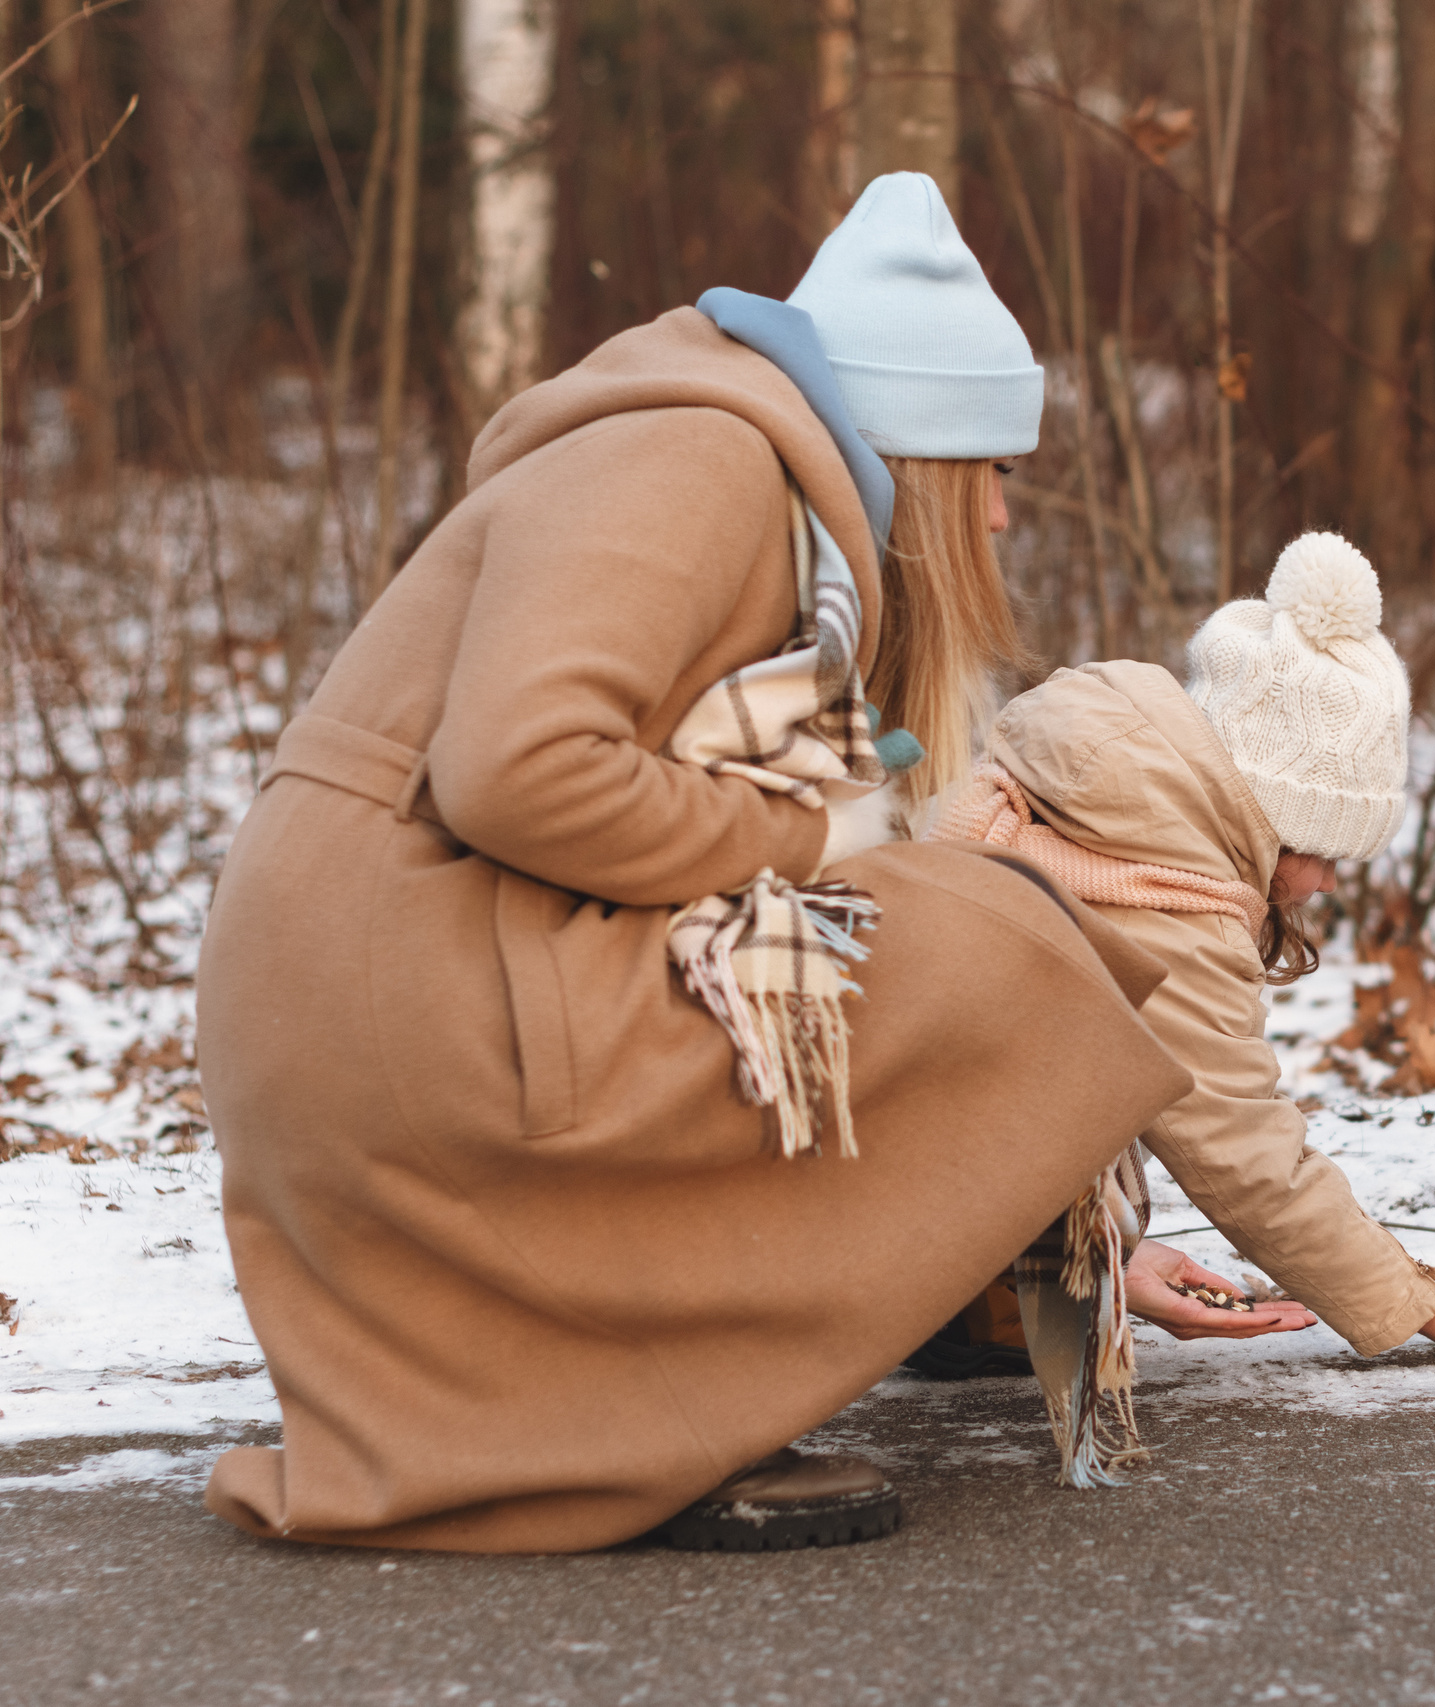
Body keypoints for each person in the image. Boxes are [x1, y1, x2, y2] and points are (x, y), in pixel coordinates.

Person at [193, 173, 1194, 1555]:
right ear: (919, 443)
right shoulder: (703, 459)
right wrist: (813, 837)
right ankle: (667, 1410)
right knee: (988, 926)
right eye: (997, 475)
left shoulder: (733, 476)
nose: (1003, 523)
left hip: (397, 987)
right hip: (402, 1005)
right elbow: (519, 769)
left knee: (903, 916)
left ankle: (906, 1306)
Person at [933, 533, 1435, 1367]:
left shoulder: (1094, 807)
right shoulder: (1163, 901)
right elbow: (1249, 1156)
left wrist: (1117, 1256)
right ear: (1278, 817)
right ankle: (975, 1298)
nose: (1328, 883)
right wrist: (1422, 1306)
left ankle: (988, 1301)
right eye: (1327, 853)